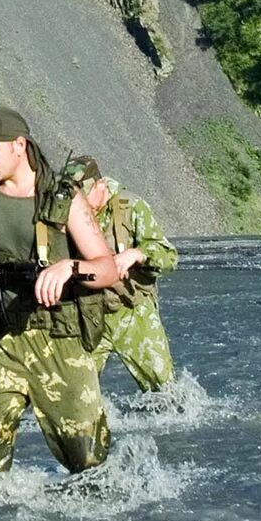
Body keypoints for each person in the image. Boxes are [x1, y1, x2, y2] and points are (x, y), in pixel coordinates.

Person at [0, 107, 120, 483]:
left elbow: (106, 269)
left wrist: (69, 268)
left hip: (58, 341)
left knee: (89, 464)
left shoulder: (63, 199)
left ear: (19, 145)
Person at [71, 157, 178, 390]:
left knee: (164, 392)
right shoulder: (70, 215)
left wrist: (137, 254)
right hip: (88, 313)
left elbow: (169, 257)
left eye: (83, 197)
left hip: (132, 312)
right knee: (75, 394)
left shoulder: (132, 206)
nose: (79, 205)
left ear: (100, 186)